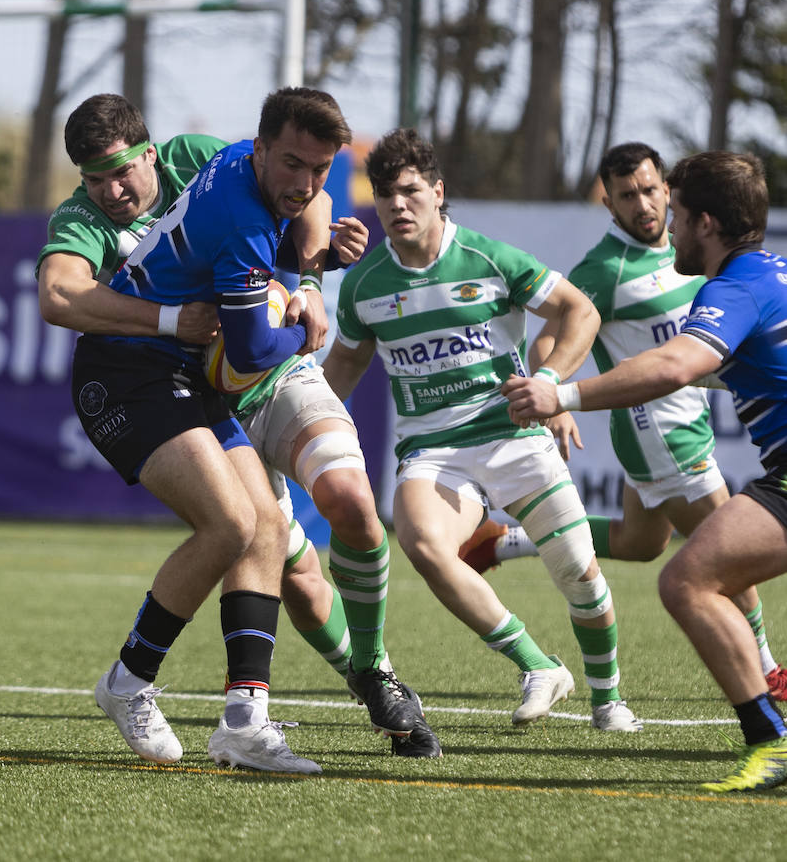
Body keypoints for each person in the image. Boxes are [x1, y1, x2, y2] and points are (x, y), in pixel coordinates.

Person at [39, 94, 437, 757]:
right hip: (136, 374)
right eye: (94, 177)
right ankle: (129, 681)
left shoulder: (204, 159)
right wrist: (280, 324)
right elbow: (58, 294)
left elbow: (302, 191)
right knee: (231, 523)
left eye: (123, 172)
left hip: (205, 367)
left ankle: (245, 720)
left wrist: (310, 271)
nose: (111, 191)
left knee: (274, 530)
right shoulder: (86, 217)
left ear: (151, 152)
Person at [322, 128, 642, 733]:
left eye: (410, 191)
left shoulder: (492, 260)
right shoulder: (365, 285)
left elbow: (582, 312)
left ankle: (608, 699)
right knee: (423, 545)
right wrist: (296, 426)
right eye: (386, 194)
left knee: (579, 572)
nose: (397, 205)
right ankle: (537, 666)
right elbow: (341, 367)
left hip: (513, 438)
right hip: (432, 451)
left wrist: (548, 382)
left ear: (438, 193)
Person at [459, 142, 787, 701]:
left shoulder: (707, 265)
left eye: (652, 191)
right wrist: (556, 393)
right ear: (608, 204)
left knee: (641, 543)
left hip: (691, 420)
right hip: (660, 434)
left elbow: (706, 358)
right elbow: (552, 337)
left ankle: (507, 542)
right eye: (627, 195)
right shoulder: (607, 270)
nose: (646, 205)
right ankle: (768, 674)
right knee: (719, 561)